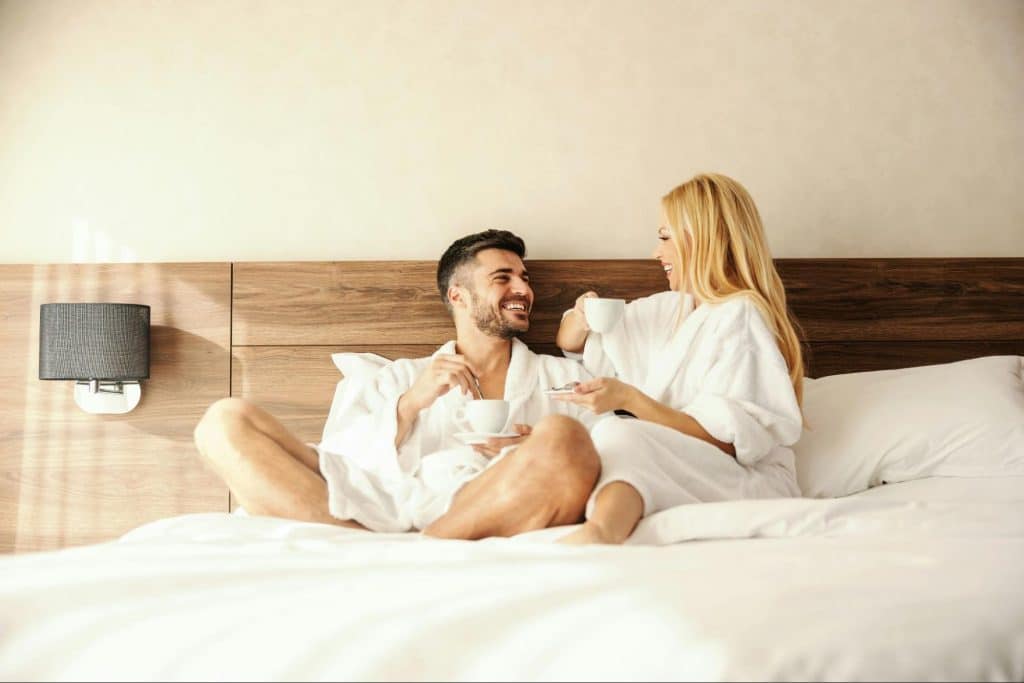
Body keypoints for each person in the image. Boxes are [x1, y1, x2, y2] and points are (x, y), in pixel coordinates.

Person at [194, 229, 602, 539]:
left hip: (491, 511)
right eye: (504, 277)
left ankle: (421, 551)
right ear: (458, 296)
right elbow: (337, 465)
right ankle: (362, 548)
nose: (524, 289)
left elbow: (610, 456)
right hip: (377, 513)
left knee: (563, 437)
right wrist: (407, 406)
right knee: (224, 421)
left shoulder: (561, 379)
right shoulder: (399, 379)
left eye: (525, 278)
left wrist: (530, 449)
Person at [554, 173, 805, 545]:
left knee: (621, 434)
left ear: (703, 239)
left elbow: (732, 443)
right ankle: (595, 529)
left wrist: (629, 400)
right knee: (595, 444)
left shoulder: (740, 316)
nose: (657, 253)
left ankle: (600, 534)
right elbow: (573, 342)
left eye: (665, 237)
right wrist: (581, 315)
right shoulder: (672, 309)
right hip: (677, 458)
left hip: (742, 475)